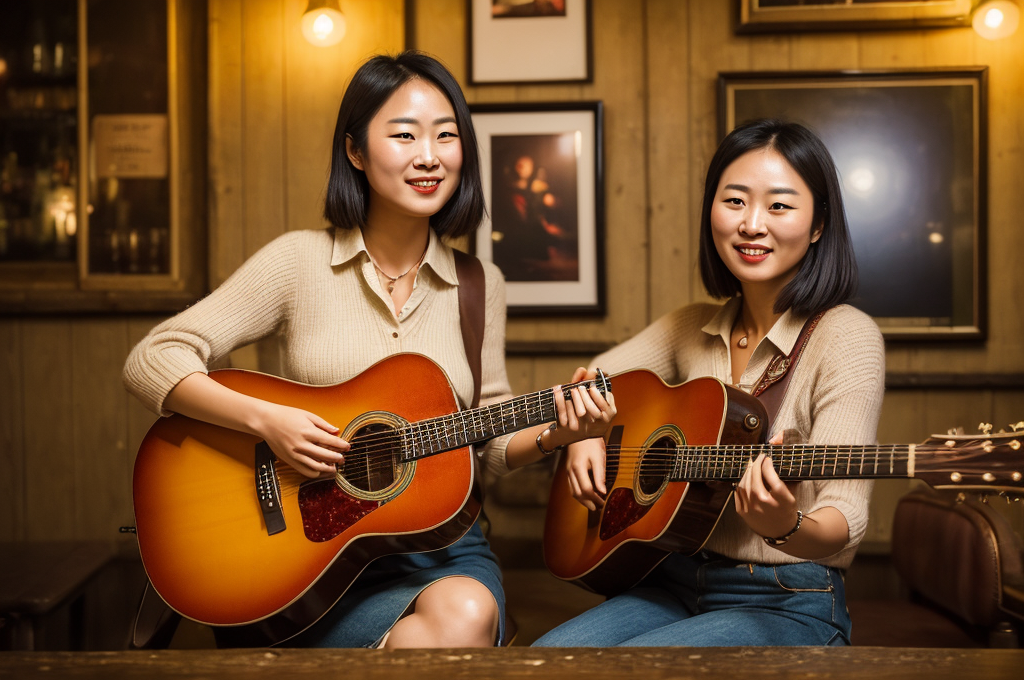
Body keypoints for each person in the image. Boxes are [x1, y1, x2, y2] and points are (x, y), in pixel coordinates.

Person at [122, 51, 615, 649]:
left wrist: (558, 430)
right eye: (404, 134)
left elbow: (482, 448)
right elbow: (153, 355)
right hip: (302, 560)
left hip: (439, 552)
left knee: (465, 611)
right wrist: (268, 421)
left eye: (447, 135)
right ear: (355, 152)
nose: (429, 155)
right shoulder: (297, 263)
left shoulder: (480, 284)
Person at [533, 119, 885, 647]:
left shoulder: (847, 336)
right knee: (544, 660)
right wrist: (584, 434)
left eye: (780, 206)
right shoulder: (690, 325)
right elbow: (595, 375)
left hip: (787, 597)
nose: (752, 224)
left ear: (817, 226)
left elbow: (845, 517)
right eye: (735, 201)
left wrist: (784, 524)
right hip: (667, 581)